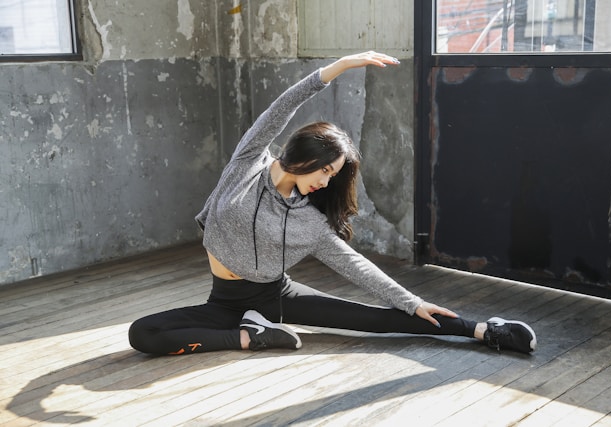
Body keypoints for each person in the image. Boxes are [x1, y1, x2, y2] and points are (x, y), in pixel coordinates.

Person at [128, 51, 536, 355]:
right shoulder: (247, 164)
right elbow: (280, 109)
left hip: (274, 296)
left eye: (332, 178)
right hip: (225, 303)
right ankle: (250, 337)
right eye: (326, 171)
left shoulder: (310, 221)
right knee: (141, 334)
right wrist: (335, 69)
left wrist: (410, 301)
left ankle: (484, 330)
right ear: (308, 157)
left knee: (377, 321)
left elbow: (355, 265)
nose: (326, 183)